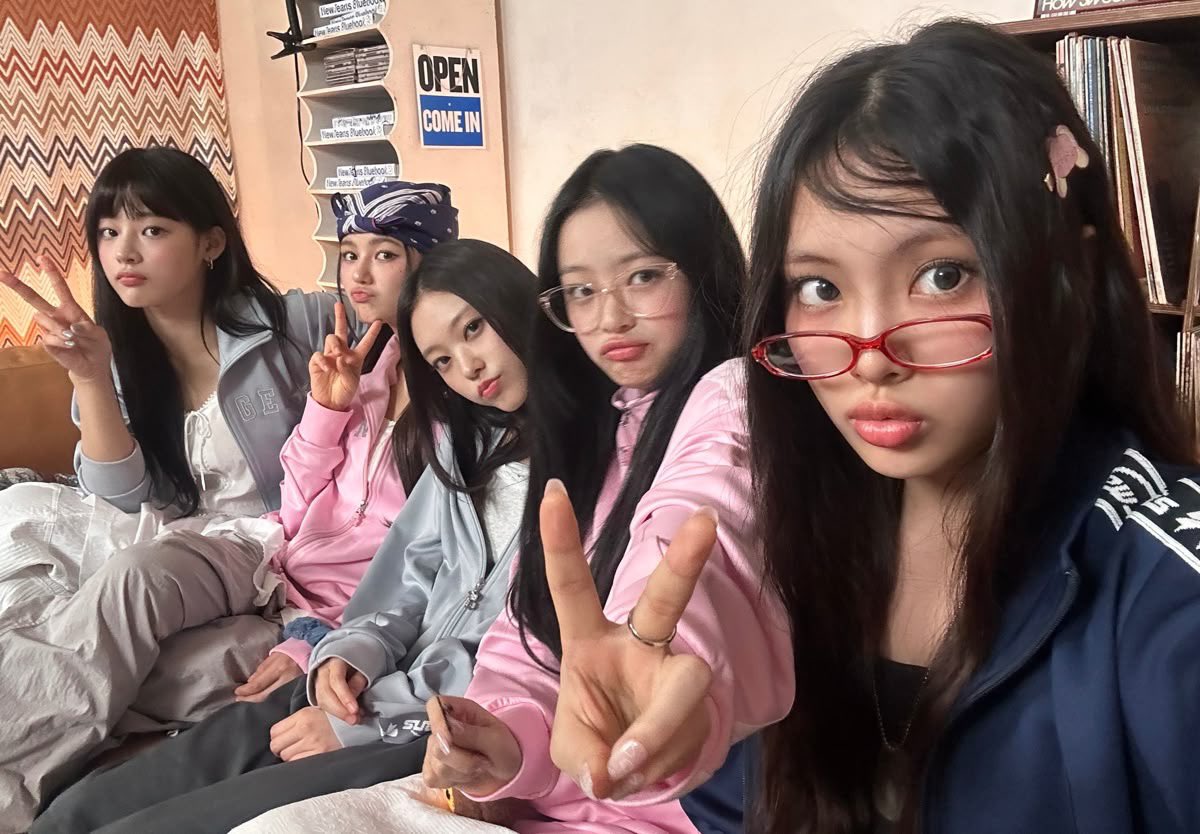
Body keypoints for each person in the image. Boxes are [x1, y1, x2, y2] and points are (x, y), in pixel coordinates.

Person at [538, 20, 1200, 834]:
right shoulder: (790, 530)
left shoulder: (1159, 584)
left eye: (942, 275)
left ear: (1070, 272)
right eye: (820, 289)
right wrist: (677, 725)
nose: (871, 355)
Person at [34, 239, 534, 834]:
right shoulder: (442, 422)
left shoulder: (534, 455)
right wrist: (348, 652)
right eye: (442, 359)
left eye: (474, 329)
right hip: (313, 605)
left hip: (415, 713)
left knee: (166, 770)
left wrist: (339, 671)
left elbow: (512, 652)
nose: (468, 366)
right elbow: (393, 562)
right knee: (86, 805)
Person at [415, 144, 793, 834]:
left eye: (642, 276)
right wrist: (498, 740)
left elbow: (696, 532)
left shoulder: (740, 398)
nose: (609, 318)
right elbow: (533, 628)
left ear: (703, 267)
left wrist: (660, 653)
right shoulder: (584, 435)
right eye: (582, 292)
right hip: (550, 803)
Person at [0, 147, 341, 613]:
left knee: (134, 580)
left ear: (211, 244)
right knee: (17, 512)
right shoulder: (110, 357)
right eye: (109, 232)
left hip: (269, 553)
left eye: (152, 230)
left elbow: (402, 321)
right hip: (169, 548)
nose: (124, 252)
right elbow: (117, 503)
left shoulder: (294, 324)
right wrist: (91, 377)